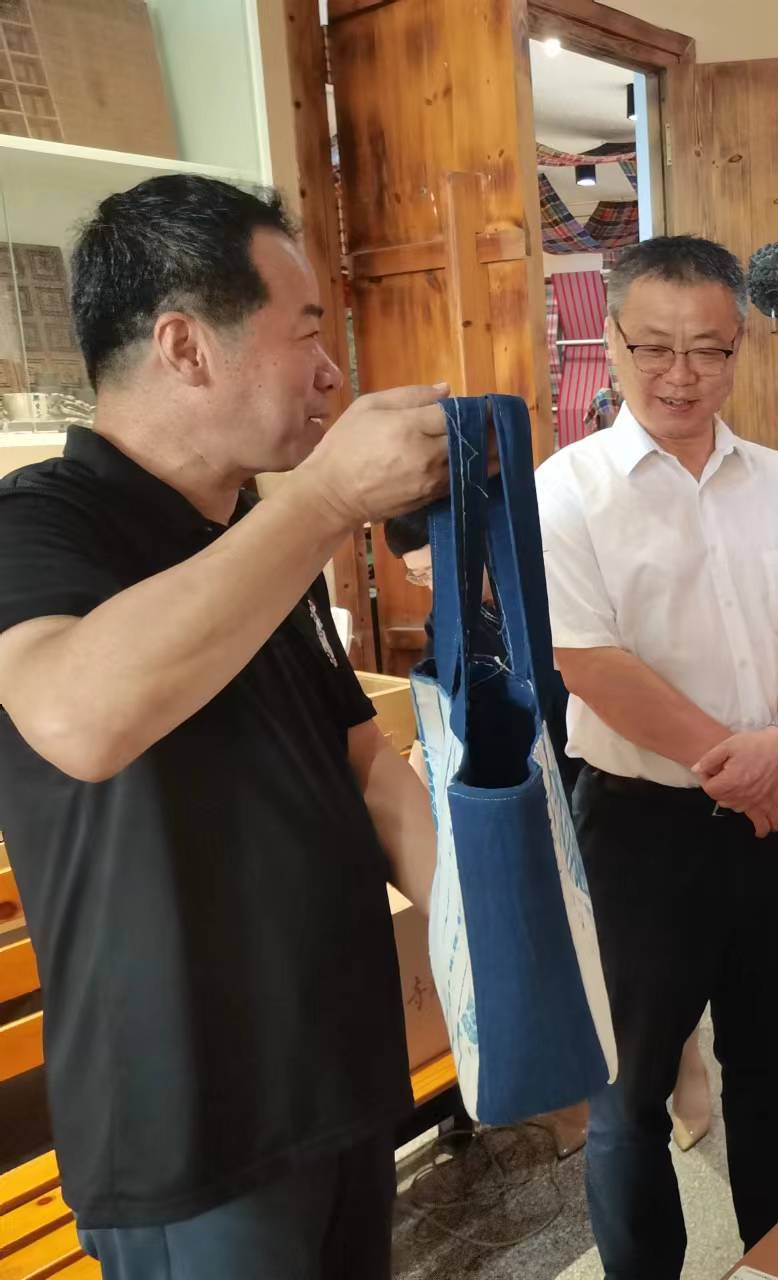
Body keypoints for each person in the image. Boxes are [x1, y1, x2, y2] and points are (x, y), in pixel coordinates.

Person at [0, 175, 452, 1277]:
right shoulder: (38, 522)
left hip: (337, 1077)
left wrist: (495, 950)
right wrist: (325, 501)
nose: (332, 371)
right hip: (196, 1131)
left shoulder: (249, 525)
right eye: (305, 333)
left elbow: (363, 763)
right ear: (185, 346)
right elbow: (78, 716)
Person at [535, 235, 778, 1278]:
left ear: (737, 348)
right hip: (640, 829)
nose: (682, 374)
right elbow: (588, 660)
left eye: (709, 349)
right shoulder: (566, 489)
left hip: (775, 815)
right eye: (656, 348)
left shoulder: (776, 480)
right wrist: (743, 763)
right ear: (611, 341)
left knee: (775, 1065)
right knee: (628, 1091)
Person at [383, 509, 714, 1156]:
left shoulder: (546, 584)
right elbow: (450, 702)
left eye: (432, 570)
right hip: (525, 795)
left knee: (639, 951)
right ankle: (580, 1095)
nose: (431, 587)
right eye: (418, 577)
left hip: (599, 782)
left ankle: (688, 1061)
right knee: (564, 950)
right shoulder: (453, 617)